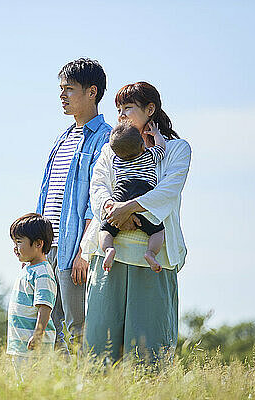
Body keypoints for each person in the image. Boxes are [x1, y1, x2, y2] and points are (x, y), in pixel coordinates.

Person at [81, 82, 191, 366]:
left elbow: (168, 190)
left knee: (147, 352)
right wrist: (113, 210)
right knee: (100, 349)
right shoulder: (110, 150)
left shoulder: (175, 149)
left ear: (150, 109)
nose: (121, 115)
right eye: (118, 109)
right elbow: (98, 188)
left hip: (153, 258)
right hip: (109, 253)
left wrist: (128, 208)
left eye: (127, 108)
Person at [36, 58, 112, 350]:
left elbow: (98, 202)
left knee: (78, 327)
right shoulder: (63, 138)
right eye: (61, 89)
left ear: (92, 92)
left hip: (74, 251)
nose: (62, 95)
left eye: (69, 89)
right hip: (49, 246)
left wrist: (84, 250)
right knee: (52, 327)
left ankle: (88, 386)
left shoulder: (104, 138)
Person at [99, 121, 166, 273]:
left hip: (120, 196)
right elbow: (161, 148)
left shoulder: (116, 160)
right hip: (142, 196)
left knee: (105, 229)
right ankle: (150, 253)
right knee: (157, 231)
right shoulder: (149, 155)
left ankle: (108, 249)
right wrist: (156, 134)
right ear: (142, 146)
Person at [6, 213, 57, 377]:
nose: (15, 247)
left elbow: (45, 306)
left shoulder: (42, 272)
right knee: (22, 387)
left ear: (38, 244)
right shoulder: (28, 269)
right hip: (21, 345)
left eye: (19, 242)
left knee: (33, 386)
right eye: (14, 242)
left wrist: (38, 335)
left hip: (34, 347)